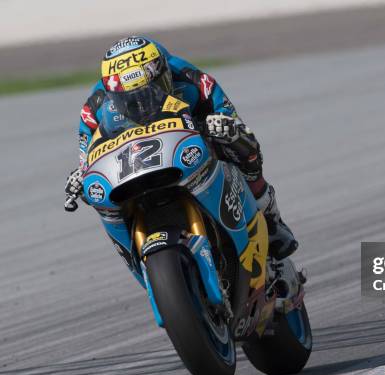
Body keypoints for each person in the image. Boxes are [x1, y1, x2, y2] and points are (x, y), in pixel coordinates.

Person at [65, 36, 298, 262]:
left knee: (241, 142)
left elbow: (227, 114)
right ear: (112, 94)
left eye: (151, 90)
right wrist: (82, 173)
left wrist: (222, 124)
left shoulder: (193, 79)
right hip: (137, 157)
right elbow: (87, 153)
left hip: (191, 140)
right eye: (129, 99)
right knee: (94, 192)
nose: (143, 102)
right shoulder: (93, 107)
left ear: (164, 74)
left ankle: (270, 219)